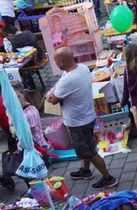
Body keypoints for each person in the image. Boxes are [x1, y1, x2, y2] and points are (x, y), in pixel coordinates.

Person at [46, 47, 116, 188]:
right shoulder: (82, 68)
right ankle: (86, 170)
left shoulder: (68, 80)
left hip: (77, 122)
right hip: (87, 116)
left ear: (61, 61)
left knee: (89, 152)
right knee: (87, 147)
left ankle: (108, 178)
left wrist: (51, 94)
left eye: (55, 61)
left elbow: (52, 100)